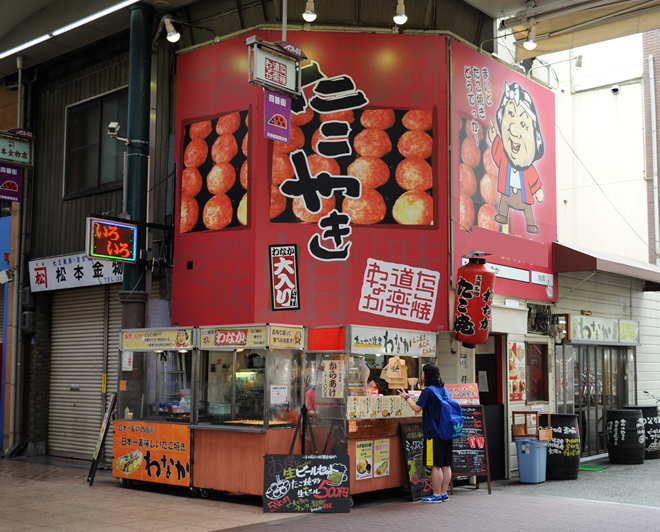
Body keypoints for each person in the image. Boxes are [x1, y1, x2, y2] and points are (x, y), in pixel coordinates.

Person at [399, 363, 452, 503]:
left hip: (433, 432)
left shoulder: (428, 391)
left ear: (426, 374)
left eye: (422, 373)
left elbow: (417, 408)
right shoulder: (443, 389)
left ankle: (435, 495)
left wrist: (406, 397)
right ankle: (444, 493)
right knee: (446, 464)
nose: (421, 375)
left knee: (435, 465)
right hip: (447, 431)